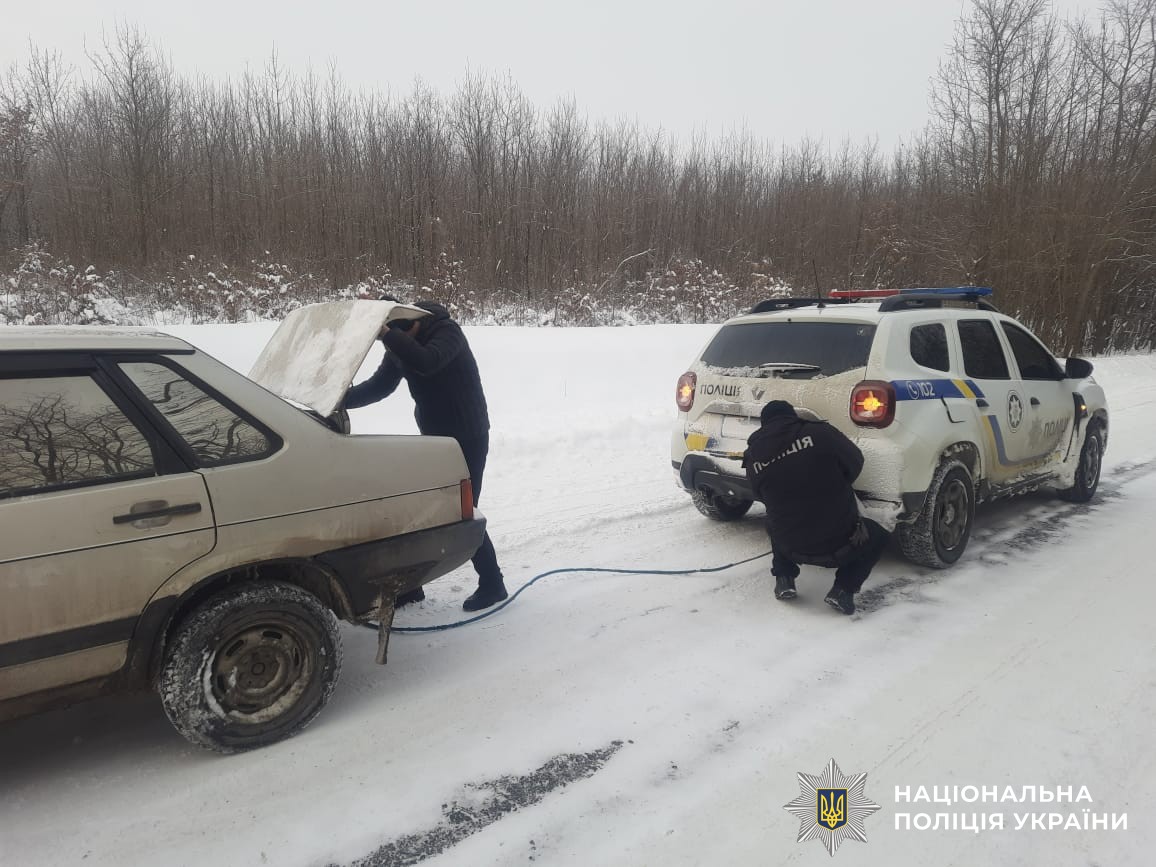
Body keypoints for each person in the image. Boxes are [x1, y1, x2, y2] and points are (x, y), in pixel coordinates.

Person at [344, 299, 507, 612]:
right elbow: (380, 386)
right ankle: (411, 586)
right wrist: (340, 399)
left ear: (413, 324)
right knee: (421, 506)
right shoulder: (402, 343)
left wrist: (389, 335)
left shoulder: (447, 332)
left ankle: (493, 583)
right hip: (434, 437)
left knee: (461, 511)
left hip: (468, 436)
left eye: (398, 335)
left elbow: (427, 361)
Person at [742, 400, 890, 615]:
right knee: (879, 536)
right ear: (792, 417)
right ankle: (843, 590)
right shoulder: (821, 434)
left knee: (776, 518)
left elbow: (761, 495)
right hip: (839, 546)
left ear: (764, 425)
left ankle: (784, 579)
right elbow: (855, 461)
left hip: (789, 545)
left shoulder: (753, 456)